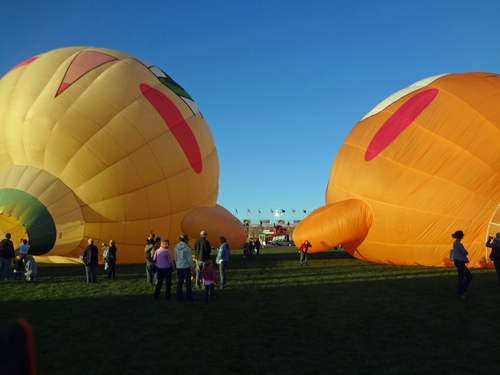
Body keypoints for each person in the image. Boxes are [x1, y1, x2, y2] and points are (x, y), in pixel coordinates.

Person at [452, 230, 472, 298]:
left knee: (468, 276)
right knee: (462, 277)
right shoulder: (458, 244)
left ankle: (462, 290)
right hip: (460, 262)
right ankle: (460, 292)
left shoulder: (455, 243)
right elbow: (465, 252)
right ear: (461, 236)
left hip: (458, 261)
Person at [175, 234, 195, 302]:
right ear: (186, 240)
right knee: (188, 283)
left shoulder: (176, 248)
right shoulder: (186, 248)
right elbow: (189, 259)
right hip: (185, 266)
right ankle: (189, 297)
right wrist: (192, 267)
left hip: (179, 266)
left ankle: (179, 297)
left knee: (179, 282)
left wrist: (177, 264)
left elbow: (176, 258)